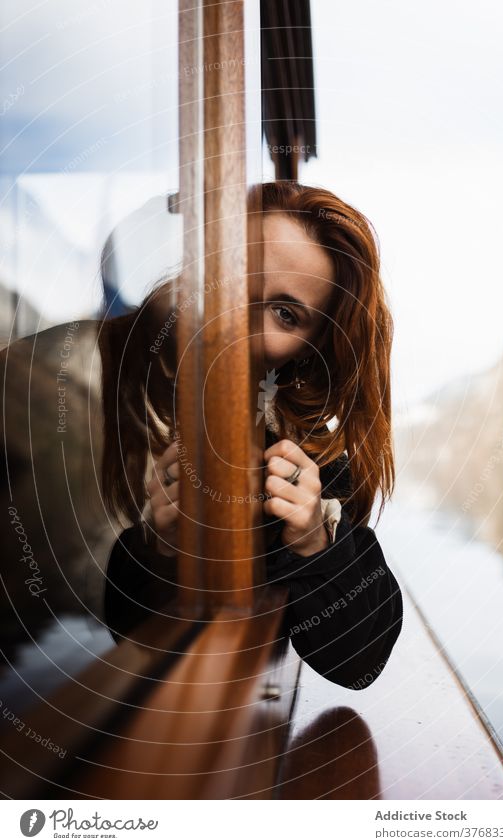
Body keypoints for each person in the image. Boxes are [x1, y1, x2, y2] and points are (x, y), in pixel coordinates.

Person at [103, 181, 403, 690]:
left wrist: (312, 544)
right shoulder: (84, 382)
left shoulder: (301, 461)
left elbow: (358, 664)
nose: (238, 319)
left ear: (305, 350)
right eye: (237, 278)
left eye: (286, 314)